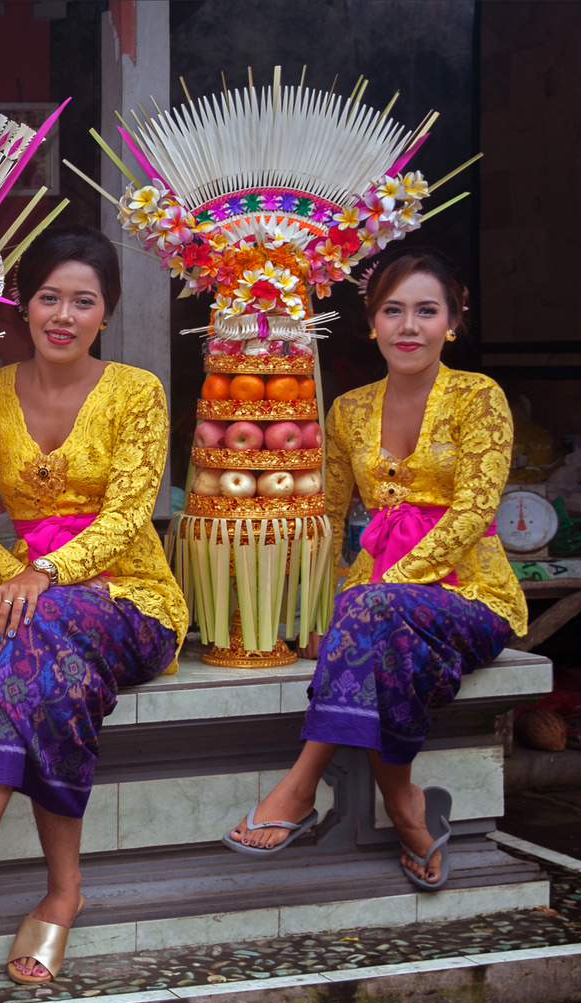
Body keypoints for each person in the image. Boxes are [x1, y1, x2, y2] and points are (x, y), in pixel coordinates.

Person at [0, 226, 187, 984]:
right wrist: (17, 575)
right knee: (53, 671)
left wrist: (46, 573)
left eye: (83, 301)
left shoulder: (136, 392)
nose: (63, 315)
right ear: (23, 307)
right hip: (36, 604)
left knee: (42, 623)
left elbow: (132, 513)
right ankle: (63, 892)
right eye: (48, 298)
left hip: (130, 596)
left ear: (106, 313)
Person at [224, 249, 527, 889]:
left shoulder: (480, 398)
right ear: (371, 323)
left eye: (426, 311)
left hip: (470, 595)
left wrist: (382, 587)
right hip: (373, 599)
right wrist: (308, 609)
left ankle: (301, 786)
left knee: (368, 609)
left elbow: (472, 512)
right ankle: (406, 806)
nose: (408, 326)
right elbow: (328, 520)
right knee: (373, 626)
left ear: (453, 321)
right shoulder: (350, 410)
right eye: (393, 311)